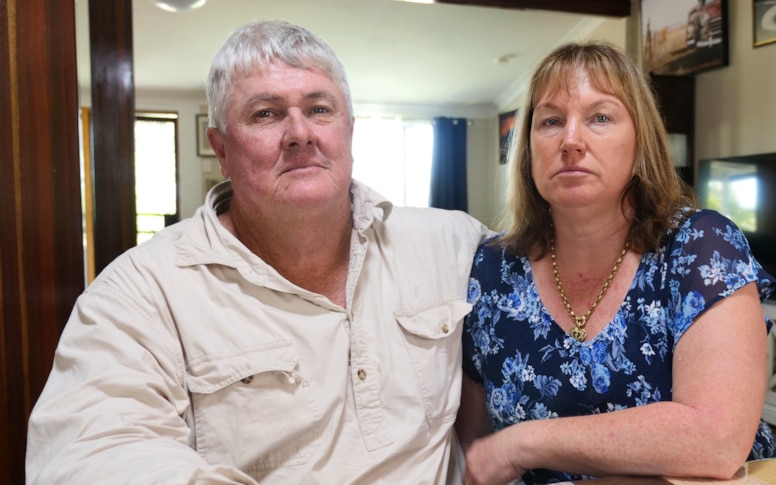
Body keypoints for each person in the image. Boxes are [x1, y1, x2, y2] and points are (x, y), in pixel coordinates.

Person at [26, 20, 490, 484]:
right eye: (266, 114)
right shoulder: (142, 291)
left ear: (349, 131)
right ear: (221, 150)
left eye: (320, 109)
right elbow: (87, 457)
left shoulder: (451, 243)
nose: (299, 133)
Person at [455, 41, 776, 485]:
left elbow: (716, 440)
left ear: (639, 139)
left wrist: (525, 442)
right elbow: (477, 450)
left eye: (600, 117)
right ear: (529, 149)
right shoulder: (492, 271)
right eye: (550, 121)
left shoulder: (700, 246)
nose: (571, 140)